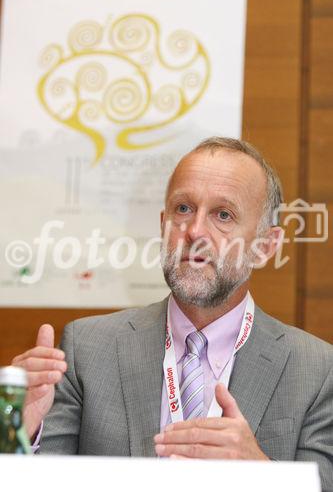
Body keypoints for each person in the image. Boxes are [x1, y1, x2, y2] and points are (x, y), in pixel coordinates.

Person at [12, 137, 333, 490]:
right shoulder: (86, 349)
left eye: (223, 215)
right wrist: (18, 431)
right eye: (183, 209)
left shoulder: (316, 371)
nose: (194, 231)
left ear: (265, 246)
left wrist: (260, 474)